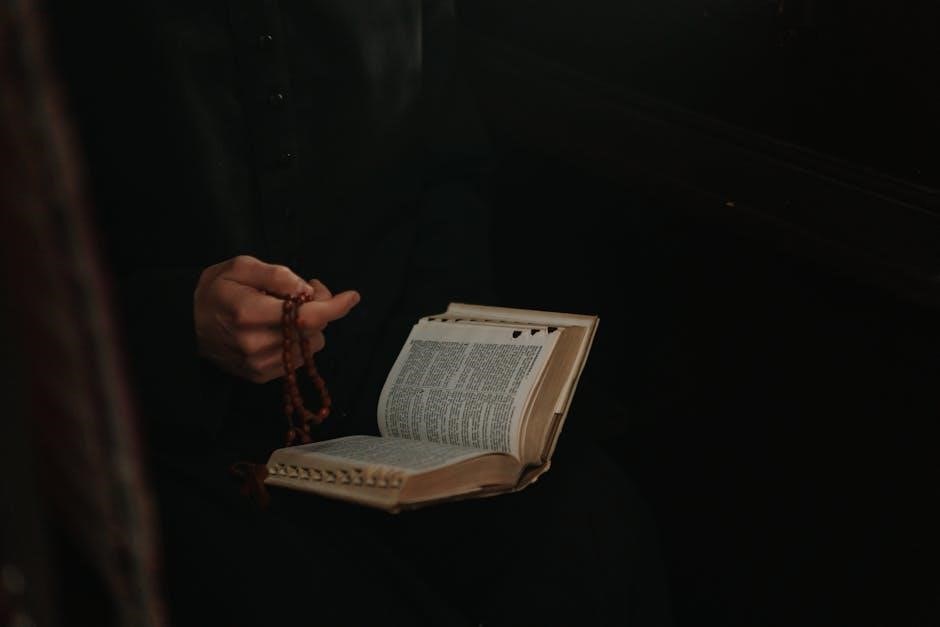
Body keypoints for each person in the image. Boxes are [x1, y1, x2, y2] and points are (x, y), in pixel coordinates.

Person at [46, 2, 673, 625]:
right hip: (168, 425)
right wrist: (175, 320)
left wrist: (425, 363)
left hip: (389, 394)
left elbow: (448, 167)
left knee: (591, 530)